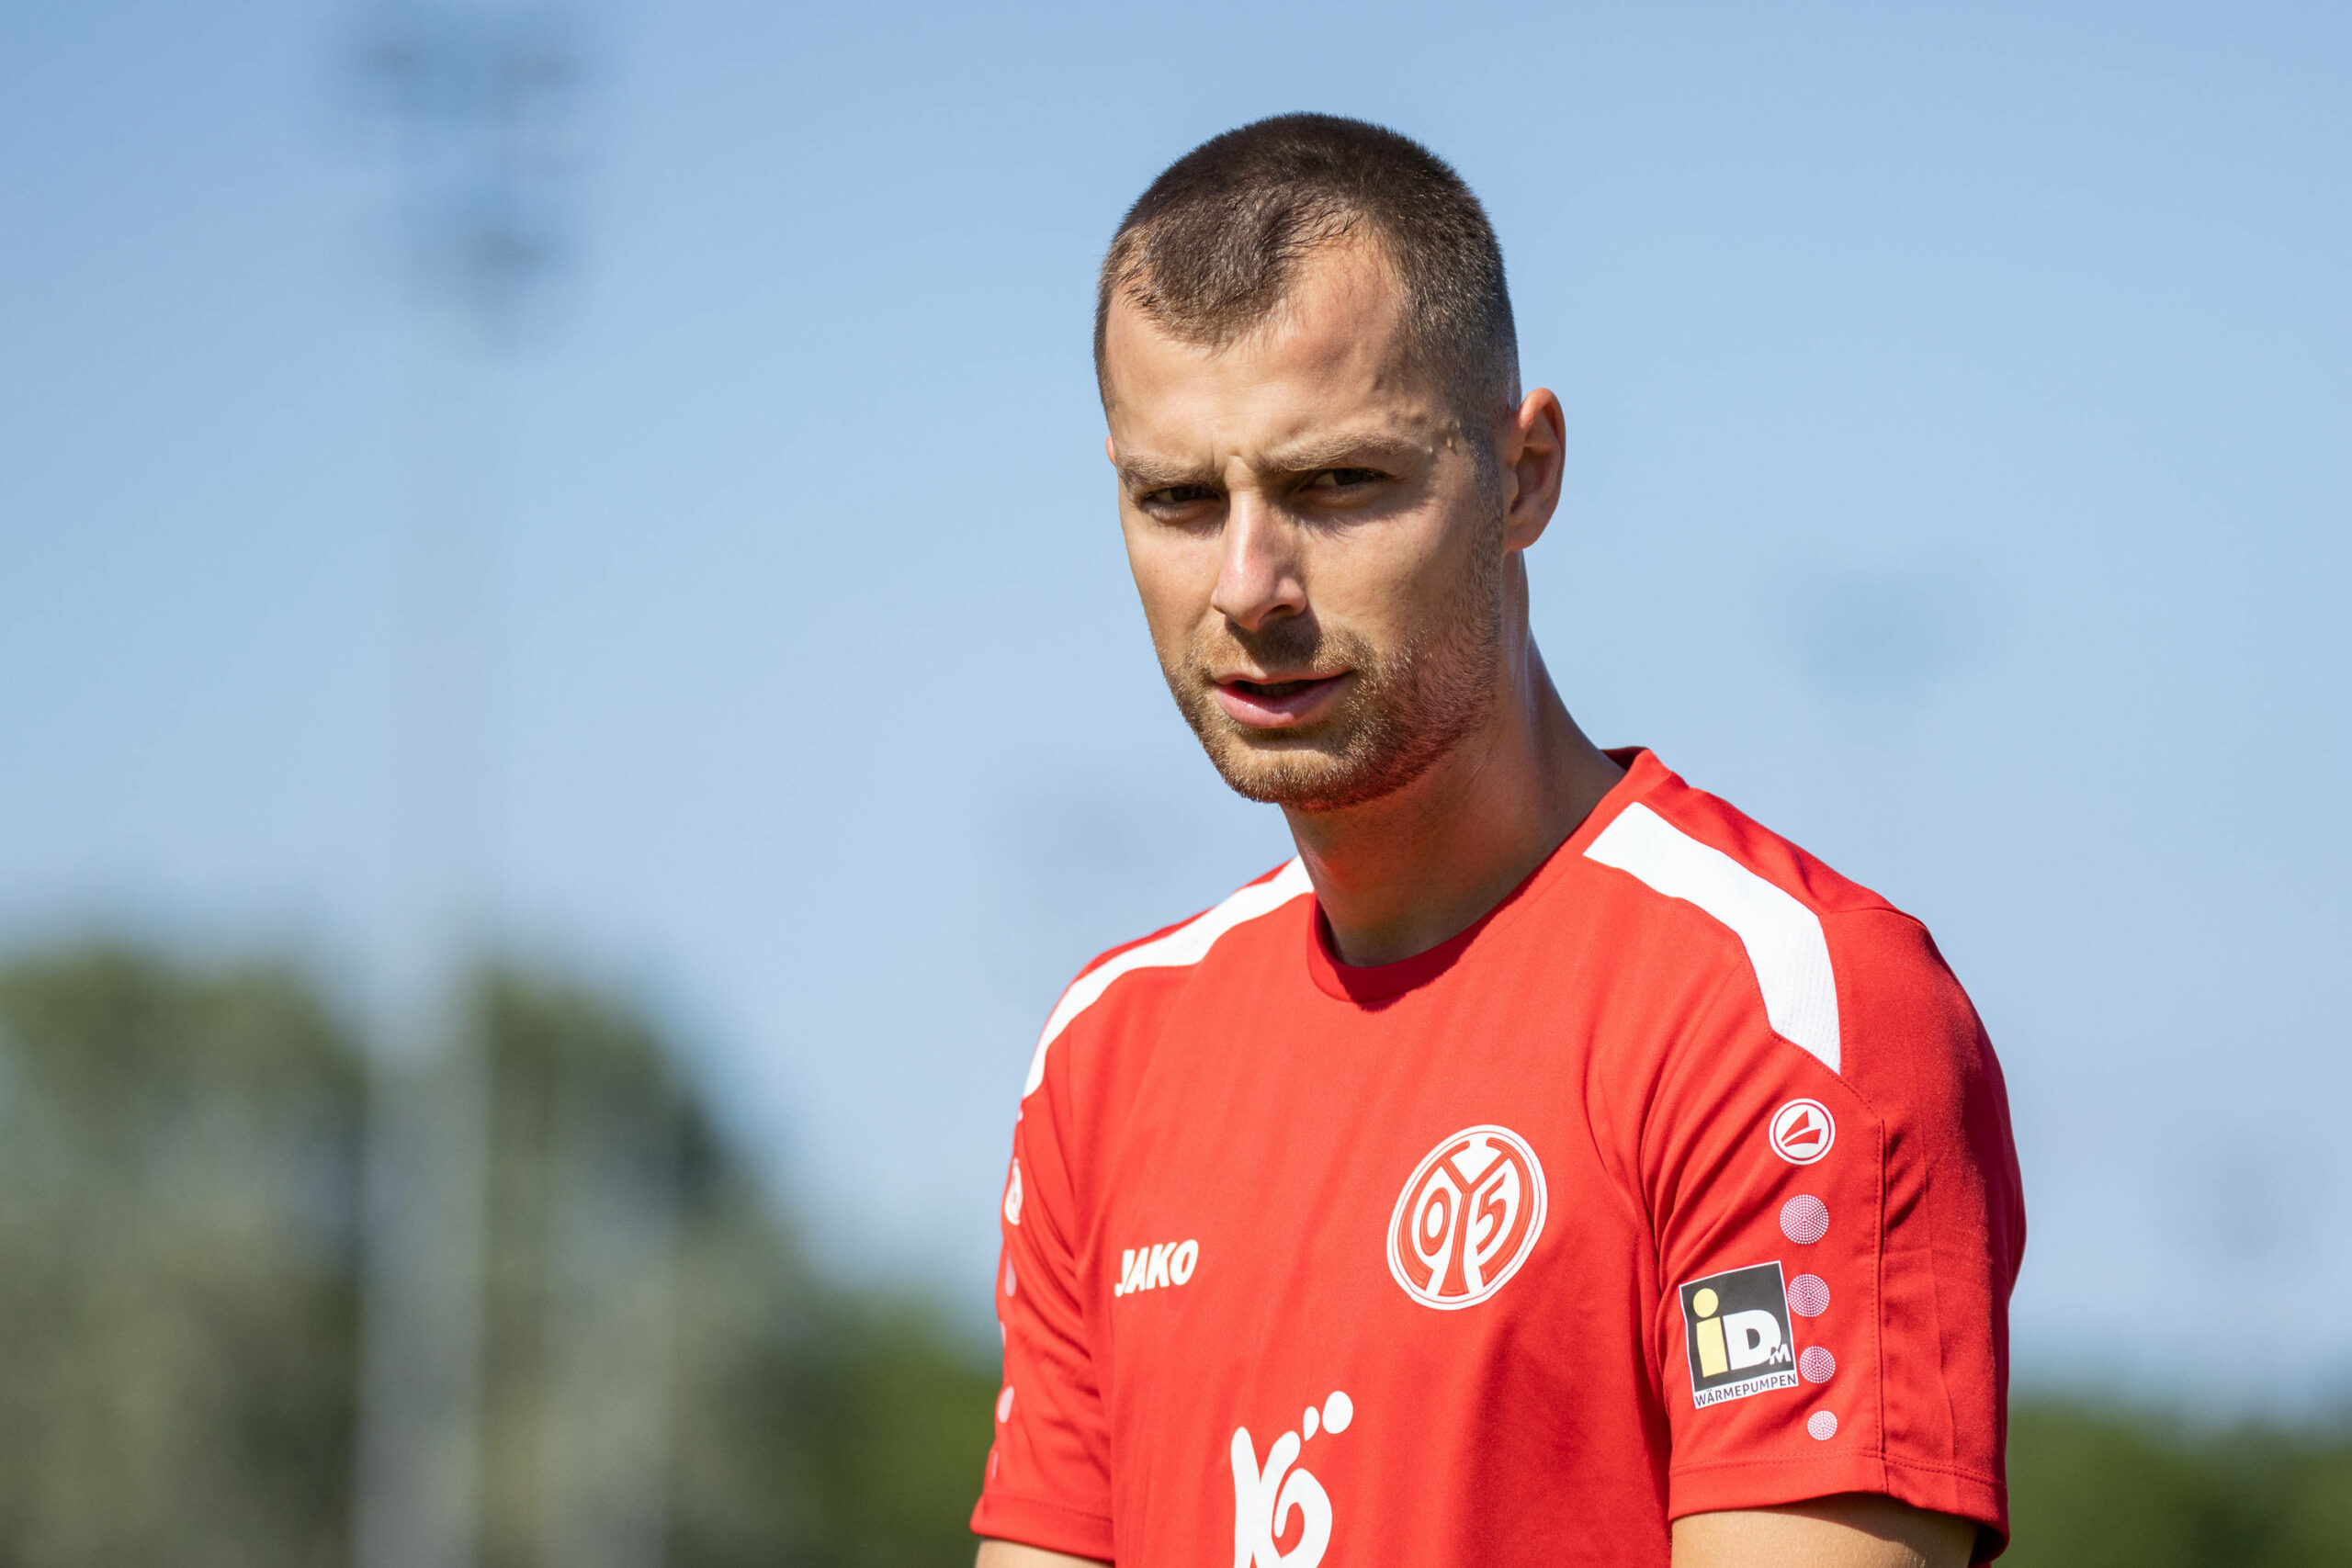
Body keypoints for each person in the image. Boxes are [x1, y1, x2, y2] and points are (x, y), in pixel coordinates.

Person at [970, 113, 2025, 1568]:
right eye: (1178, 499)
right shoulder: (1108, 1054)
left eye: (1339, 485)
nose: (1249, 583)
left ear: (1526, 475)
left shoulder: (1781, 1015)